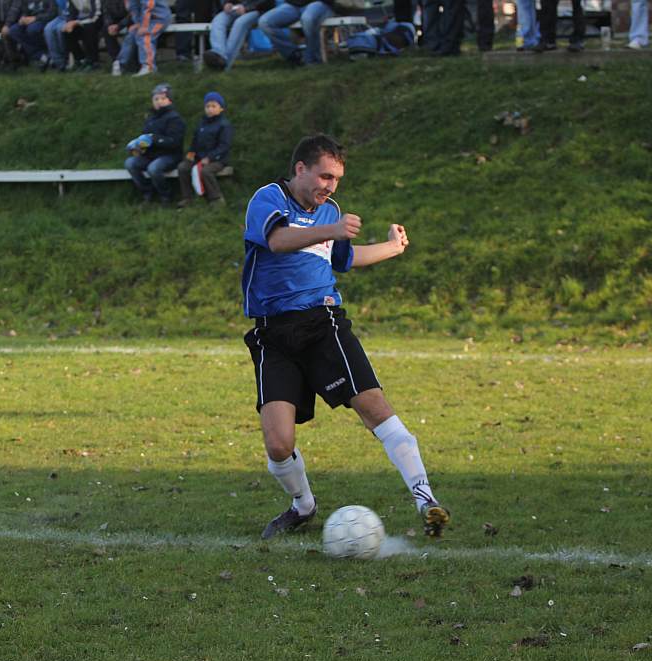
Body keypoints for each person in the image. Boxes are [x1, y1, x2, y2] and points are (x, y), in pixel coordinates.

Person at [240, 133, 450, 540]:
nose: (330, 186)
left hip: (324, 324)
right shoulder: (267, 199)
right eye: (324, 176)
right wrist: (332, 229)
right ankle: (303, 507)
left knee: (373, 406)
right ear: (300, 169)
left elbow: (346, 259)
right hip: (273, 334)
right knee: (278, 444)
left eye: (336, 179)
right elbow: (277, 241)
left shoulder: (329, 211)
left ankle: (427, 500)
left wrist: (392, 248)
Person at [124, 82, 185, 204]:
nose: (159, 101)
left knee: (153, 168)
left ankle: (166, 195)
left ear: (170, 101)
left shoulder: (175, 119)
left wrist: (154, 139)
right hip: (151, 155)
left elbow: (175, 142)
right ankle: (147, 192)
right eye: (156, 99)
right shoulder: (150, 118)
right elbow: (145, 138)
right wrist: (139, 147)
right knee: (130, 163)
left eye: (163, 98)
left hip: (170, 155)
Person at [177, 91, 232, 208]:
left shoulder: (224, 125)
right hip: (199, 157)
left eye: (213, 106)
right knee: (183, 167)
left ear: (221, 108)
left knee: (206, 171)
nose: (210, 109)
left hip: (218, 159)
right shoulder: (202, 123)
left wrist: (210, 157)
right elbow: (195, 142)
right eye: (207, 106)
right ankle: (187, 198)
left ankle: (216, 199)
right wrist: (191, 155)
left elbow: (224, 146)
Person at [203, 0, 276, 70]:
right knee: (218, 20)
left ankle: (224, 64)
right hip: (237, 8)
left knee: (240, 23)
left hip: (259, 10)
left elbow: (268, 2)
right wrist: (227, 3)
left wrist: (247, 8)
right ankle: (219, 53)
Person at [257, 0, 334, 66]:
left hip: (318, 3)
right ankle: (294, 55)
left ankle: (312, 60)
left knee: (308, 19)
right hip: (293, 5)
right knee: (265, 22)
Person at [116, 0, 171, 75]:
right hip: (144, 20)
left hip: (159, 18)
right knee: (131, 34)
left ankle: (149, 67)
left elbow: (149, 5)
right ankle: (120, 64)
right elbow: (133, 7)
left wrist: (144, 26)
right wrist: (138, 23)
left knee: (144, 37)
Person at [44, 0, 101, 71]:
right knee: (67, 31)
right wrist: (69, 23)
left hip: (97, 21)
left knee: (88, 28)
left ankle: (93, 61)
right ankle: (81, 59)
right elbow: (71, 13)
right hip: (81, 21)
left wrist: (76, 22)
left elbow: (95, 15)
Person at [4, 0, 57, 69]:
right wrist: (23, 17)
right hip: (29, 20)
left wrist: (35, 18)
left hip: (43, 20)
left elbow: (53, 13)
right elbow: (25, 10)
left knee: (32, 29)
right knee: (13, 30)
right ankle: (41, 55)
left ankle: (44, 55)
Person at [100, 0, 129, 74]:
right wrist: (109, 25)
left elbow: (134, 13)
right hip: (115, 19)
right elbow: (106, 12)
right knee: (106, 30)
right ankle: (116, 60)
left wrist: (119, 26)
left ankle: (130, 60)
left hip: (132, 19)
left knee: (132, 30)